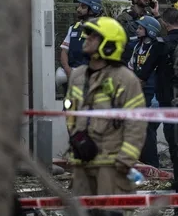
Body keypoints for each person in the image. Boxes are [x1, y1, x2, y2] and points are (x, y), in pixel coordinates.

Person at [63, 17, 147, 200]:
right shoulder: (77, 76)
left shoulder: (125, 79)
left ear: (109, 45)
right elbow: (70, 112)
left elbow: (136, 123)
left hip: (111, 166)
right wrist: (76, 139)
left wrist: (125, 159)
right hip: (81, 163)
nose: (87, 39)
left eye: (93, 37)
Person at [153, 7, 178, 215]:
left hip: (169, 107)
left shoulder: (161, 46)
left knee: (176, 155)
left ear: (165, 25)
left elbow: (143, 70)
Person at [125, 14, 163, 165]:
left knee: (149, 130)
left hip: (152, 94)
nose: (137, 30)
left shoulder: (156, 48)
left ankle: (153, 165)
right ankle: (141, 164)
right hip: (137, 93)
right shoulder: (136, 47)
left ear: (150, 31)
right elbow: (131, 67)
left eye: (141, 28)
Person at [60, 0, 105, 77]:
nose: (78, 9)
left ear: (93, 9)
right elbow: (64, 51)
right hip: (71, 73)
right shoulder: (73, 28)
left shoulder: (101, 30)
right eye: (79, 6)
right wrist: (68, 70)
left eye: (83, 7)